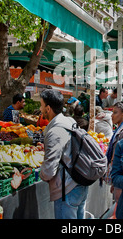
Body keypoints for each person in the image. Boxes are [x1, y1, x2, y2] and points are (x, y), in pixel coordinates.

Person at [38, 89, 88, 219]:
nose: (40, 108)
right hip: (80, 182)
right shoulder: (70, 122)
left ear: (48, 108)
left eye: (41, 105)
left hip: (68, 188)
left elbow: (49, 170)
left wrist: (40, 173)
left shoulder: (55, 131)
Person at [105, 101, 123, 203]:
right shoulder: (120, 130)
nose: (112, 116)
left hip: (122, 178)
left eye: (115, 112)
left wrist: (117, 180)